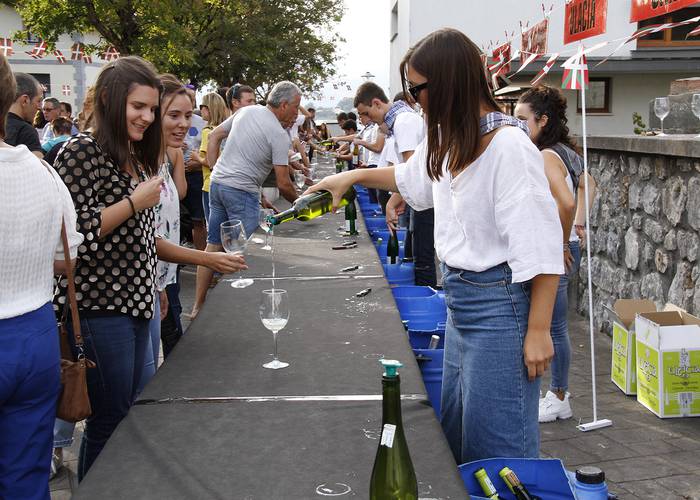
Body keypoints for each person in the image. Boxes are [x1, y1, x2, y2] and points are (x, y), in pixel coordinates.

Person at [307, 28, 562, 463]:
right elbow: (412, 182)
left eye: (416, 88)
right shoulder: (450, 138)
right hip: (459, 301)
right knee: (461, 440)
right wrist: (349, 177)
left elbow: (541, 246)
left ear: (448, 83)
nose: (411, 98)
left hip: (500, 308)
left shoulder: (509, 147)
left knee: (499, 451)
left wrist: (538, 331)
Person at [53, 56, 245, 479]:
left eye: (151, 108)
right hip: (101, 309)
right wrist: (134, 202)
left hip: (138, 305)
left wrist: (202, 260)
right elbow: (76, 231)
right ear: (108, 100)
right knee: (109, 422)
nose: (148, 116)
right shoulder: (82, 150)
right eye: (139, 106)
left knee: (127, 416)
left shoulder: (135, 158)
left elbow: (142, 240)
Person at [0, 53, 83, 500]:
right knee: (27, 478)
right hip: (35, 337)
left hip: (26, 329)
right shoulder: (41, 169)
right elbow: (68, 252)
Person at [515, 86, 597, 423]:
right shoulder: (567, 150)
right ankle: (557, 393)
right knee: (558, 326)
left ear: (543, 120)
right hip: (565, 246)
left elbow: (564, 200)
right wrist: (580, 223)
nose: (517, 125)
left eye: (523, 119)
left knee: (555, 328)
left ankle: (559, 396)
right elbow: (589, 185)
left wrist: (562, 241)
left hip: (557, 250)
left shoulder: (546, 154)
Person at [190, 81, 301, 318]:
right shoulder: (279, 135)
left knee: (212, 247)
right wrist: (301, 203)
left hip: (218, 184)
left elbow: (215, 136)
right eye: (296, 107)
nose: (297, 113)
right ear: (283, 105)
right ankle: (230, 315)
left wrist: (214, 165)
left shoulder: (247, 111)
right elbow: (284, 183)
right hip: (241, 191)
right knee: (240, 255)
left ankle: (198, 306)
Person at [353, 81, 435, 286]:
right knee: (416, 255)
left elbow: (412, 171)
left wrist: (393, 201)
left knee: (422, 260)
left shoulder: (404, 122)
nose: (369, 121)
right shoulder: (403, 120)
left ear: (377, 103)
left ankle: (426, 297)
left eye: (368, 114)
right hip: (419, 199)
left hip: (425, 202)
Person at [199, 92, 231, 225]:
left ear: (209, 108)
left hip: (210, 185)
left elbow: (209, 161)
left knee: (212, 227)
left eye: (202, 106)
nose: (200, 110)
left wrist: (196, 157)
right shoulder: (226, 130)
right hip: (227, 184)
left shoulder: (208, 131)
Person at [5, 72, 43, 158]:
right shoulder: (26, 131)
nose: (40, 107)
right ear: (25, 100)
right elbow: (36, 169)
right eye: (38, 101)